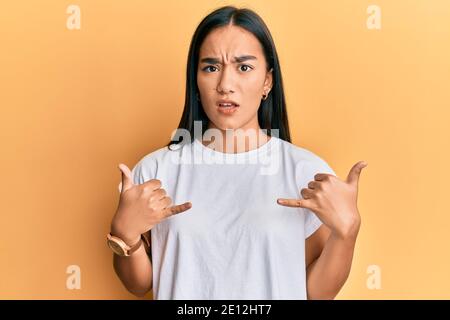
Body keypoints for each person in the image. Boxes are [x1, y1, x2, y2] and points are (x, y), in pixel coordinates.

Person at [108, 6, 367, 300]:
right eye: (211, 68)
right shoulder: (155, 171)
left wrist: (347, 233)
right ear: (196, 80)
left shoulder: (305, 172)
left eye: (243, 67)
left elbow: (315, 293)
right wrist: (124, 235)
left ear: (267, 82)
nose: (225, 85)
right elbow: (139, 284)